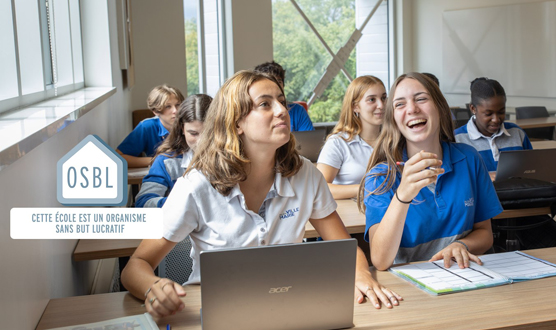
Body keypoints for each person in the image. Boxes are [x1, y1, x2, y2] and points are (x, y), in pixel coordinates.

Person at [121, 71, 402, 319]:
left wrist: (363, 276)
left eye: (281, 100)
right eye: (265, 104)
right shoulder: (195, 185)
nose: (282, 110)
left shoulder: (306, 174)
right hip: (218, 314)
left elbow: (344, 248)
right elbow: (136, 266)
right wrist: (154, 288)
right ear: (237, 122)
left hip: (291, 307)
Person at [359, 72, 503, 271]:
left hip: (466, 275)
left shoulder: (469, 158)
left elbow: (485, 234)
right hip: (409, 286)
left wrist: (461, 245)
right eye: (400, 104)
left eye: (421, 99)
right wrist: (403, 195)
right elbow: (380, 261)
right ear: (393, 118)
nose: (412, 109)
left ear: (440, 107)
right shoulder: (380, 177)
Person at [135, 94, 212, 208]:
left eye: (207, 133)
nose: (201, 141)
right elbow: (143, 202)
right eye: (193, 133)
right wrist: (184, 202)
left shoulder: (233, 156)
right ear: (182, 129)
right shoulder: (166, 161)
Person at [317, 76, 386, 200]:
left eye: (383, 98)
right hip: (351, 215)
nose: (381, 105)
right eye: (372, 99)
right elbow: (320, 188)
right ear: (355, 107)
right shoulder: (338, 143)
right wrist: (366, 189)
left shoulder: (394, 140)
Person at [454, 77, 532, 172]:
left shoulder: (517, 133)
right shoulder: (457, 140)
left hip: (517, 186)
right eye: (488, 114)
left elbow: (531, 169)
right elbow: (456, 180)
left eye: (501, 112)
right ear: (473, 109)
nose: (496, 119)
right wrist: (484, 178)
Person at [117, 85, 184, 168]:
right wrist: (156, 160)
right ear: (156, 111)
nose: (175, 111)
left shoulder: (190, 124)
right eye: (168, 106)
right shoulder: (147, 126)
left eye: (178, 105)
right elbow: (118, 158)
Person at [254, 61, 314, 131]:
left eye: (279, 81)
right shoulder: (256, 113)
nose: (282, 111)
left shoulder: (298, 110)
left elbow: (309, 139)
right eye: (270, 81)